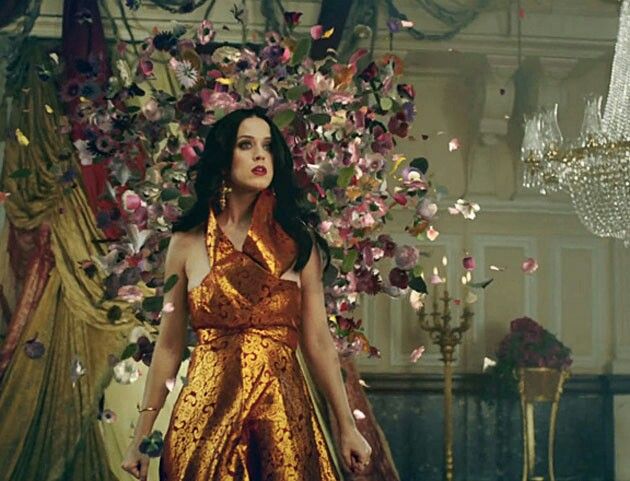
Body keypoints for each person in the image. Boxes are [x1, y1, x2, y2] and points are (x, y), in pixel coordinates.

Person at [121, 107, 372, 480]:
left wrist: (347, 427)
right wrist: (142, 436)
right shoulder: (185, 244)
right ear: (224, 160)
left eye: (268, 147)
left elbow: (318, 341)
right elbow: (170, 346)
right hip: (204, 417)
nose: (260, 155)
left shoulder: (299, 244)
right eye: (246, 145)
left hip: (283, 416)